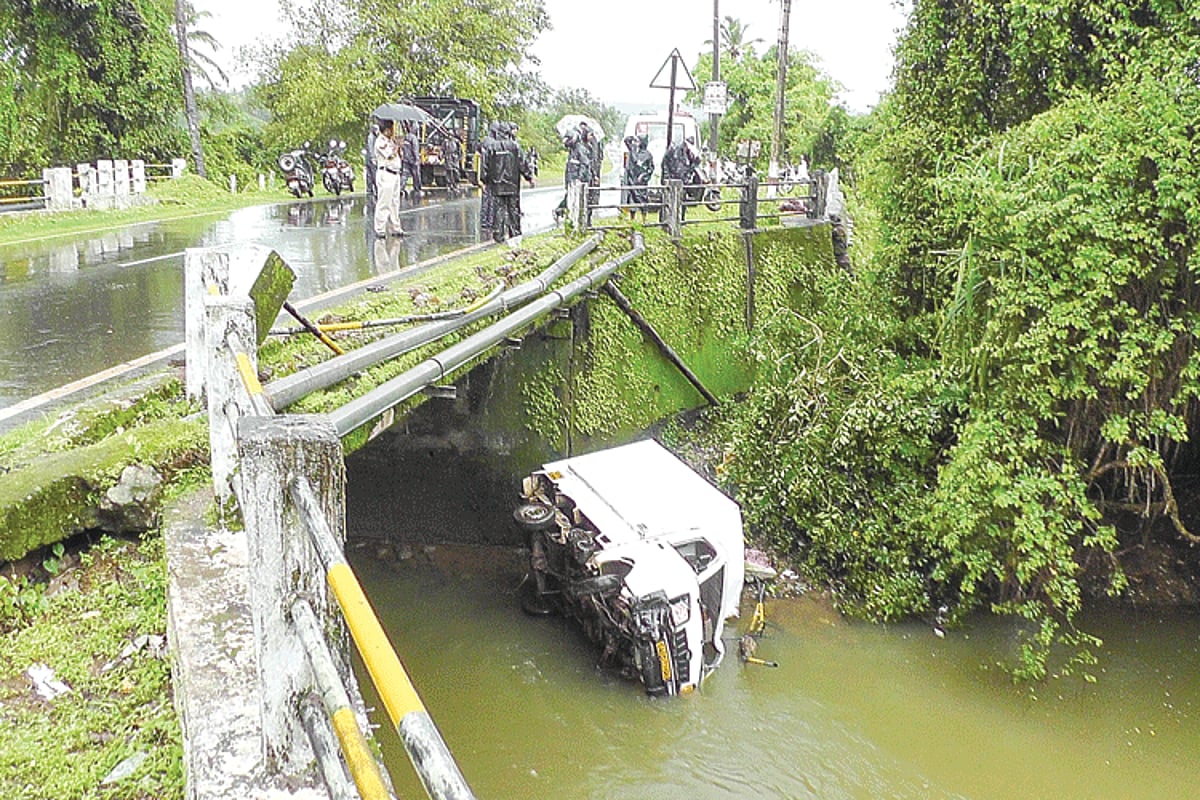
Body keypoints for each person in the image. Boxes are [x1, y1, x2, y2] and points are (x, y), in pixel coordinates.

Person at [486, 122, 534, 242]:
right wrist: (529, 177)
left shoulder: (493, 147)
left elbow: (485, 165)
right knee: (513, 209)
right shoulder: (515, 146)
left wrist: (485, 180)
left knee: (499, 209)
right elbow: (522, 164)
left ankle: (499, 235)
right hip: (512, 184)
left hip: (497, 184)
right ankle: (515, 234)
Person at [372, 119, 404, 237]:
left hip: (395, 174)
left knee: (395, 203)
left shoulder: (391, 140)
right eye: (391, 129)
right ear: (386, 130)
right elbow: (389, 155)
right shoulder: (380, 141)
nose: (393, 131)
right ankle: (379, 228)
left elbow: (399, 156)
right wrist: (396, 147)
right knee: (384, 202)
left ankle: (395, 227)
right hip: (386, 174)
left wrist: (398, 146)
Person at [477, 121, 502, 232]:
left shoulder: (485, 142)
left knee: (485, 199)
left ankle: (484, 221)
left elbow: (482, 160)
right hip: (493, 174)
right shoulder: (494, 143)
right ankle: (490, 222)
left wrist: (482, 177)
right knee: (492, 199)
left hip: (486, 174)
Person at [624, 133, 654, 219]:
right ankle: (632, 219)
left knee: (642, 201)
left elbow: (651, 169)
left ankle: (644, 219)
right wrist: (633, 137)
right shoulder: (633, 151)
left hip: (641, 182)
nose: (636, 143)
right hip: (633, 180)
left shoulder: (648, 155)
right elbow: (626, 140)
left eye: (638, 141)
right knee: (632, 201)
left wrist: (644, 176)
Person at [400, 122, 422, 199]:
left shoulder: (406, 137)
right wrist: (417, 159)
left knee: (404, 175)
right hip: (413, 160)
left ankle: (401, 188)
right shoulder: (414, 138)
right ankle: (417, 189)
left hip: (406, 159)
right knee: (416, 175)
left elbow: (403, 147)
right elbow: (415, 149)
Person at [578, 121, 602, 187]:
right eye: (590, 135)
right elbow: (586, 161)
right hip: (581, 176)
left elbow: (593, 160)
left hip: (588, 175)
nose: (592, 137)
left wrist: (594, 174)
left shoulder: (591, 146)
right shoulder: (580, 147)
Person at [365, 122, 379, 203]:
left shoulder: (373, 137)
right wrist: (373, 158)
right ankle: (374, 188)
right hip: (371, 159)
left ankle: (369, 189)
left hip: (368, 158)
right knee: (373, 174)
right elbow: (371, 148)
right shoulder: (371, 137)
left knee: (370, 174)